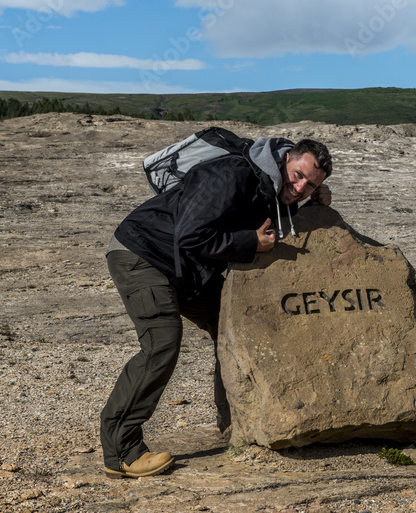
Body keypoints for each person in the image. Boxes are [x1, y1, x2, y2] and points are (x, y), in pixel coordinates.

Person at [100, 136, 332, 479]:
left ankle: (239, 424)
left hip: (186, 268)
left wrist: (311, 207)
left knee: (236, 326)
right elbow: (190, 235)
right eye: (298, 175)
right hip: (144, 254)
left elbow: (268, 221)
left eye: (310, 185)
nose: (299, 187)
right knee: (161, 343)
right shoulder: (232, 175)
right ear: (285, 158)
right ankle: (122, 451)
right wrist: (250, 242)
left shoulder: (271, 187)